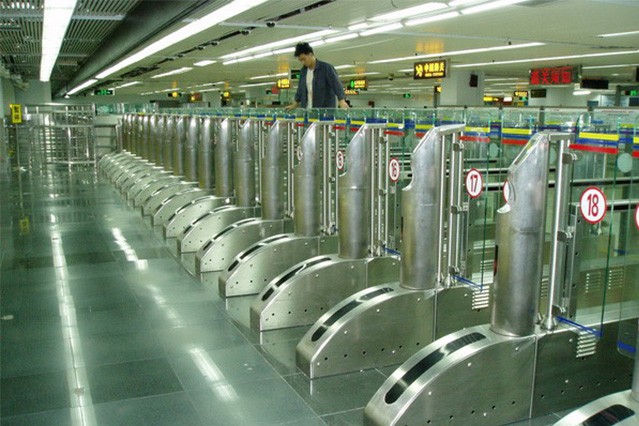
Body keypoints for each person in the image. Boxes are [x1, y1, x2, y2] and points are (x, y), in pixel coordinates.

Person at [285, 42, 349, 110]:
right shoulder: (303, 72)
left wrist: (342, 101)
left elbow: (337, 85)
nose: (303, 62)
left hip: (324, 111)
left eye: (304, 59)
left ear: (311, 54)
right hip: (307, 111)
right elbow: (300, 90)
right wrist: (294, 105)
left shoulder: (326, 68)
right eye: (300, 60)